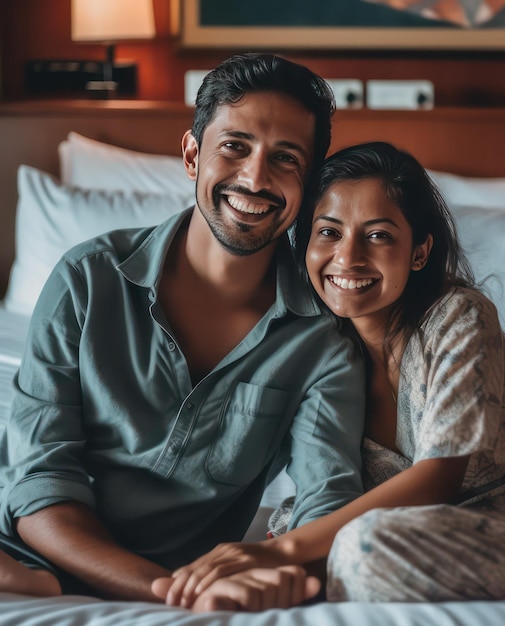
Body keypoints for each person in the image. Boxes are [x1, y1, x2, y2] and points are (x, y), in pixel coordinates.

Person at [157, 141, 505, 612]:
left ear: (420, 251)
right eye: (329, 232)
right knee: (334, 536)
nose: (348, 258)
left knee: (364, 547)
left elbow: (437, 480)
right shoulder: (309, 344)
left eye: (378, 235)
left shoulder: (457, 316)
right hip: (421, 532)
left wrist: (277, 553)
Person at [0, 54, 366, 601]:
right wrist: (172, 591)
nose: (255, 178)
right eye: (235, 146)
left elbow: (327, 498)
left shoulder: (323, 337)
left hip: (190, 576)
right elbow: (38, 482)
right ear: (193, 155)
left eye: (285, 158)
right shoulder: (86, 278)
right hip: (40, 547)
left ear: (310, 184)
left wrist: (290, 568)